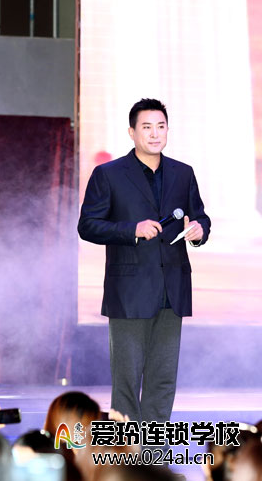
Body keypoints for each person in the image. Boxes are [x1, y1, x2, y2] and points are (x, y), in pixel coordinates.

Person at [78, 98, 210, 426]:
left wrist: (198, 231)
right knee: (127, 382)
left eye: (160, 127)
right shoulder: (109, 174)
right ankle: (126, 455)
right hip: (129, 292)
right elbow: (87, 225)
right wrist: (131, 230)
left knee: (162, 381)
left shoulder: (183, 173)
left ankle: (154, 454)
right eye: (147, 127)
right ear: (132, 132)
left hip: (172, 290)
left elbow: (201, 216)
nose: (154, 134)